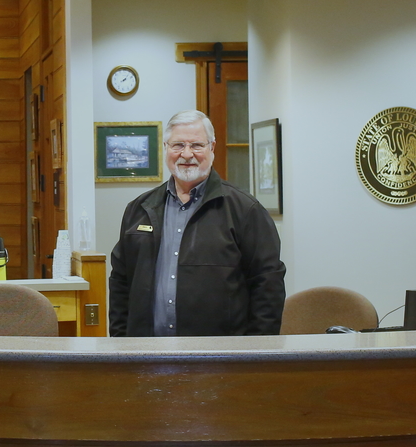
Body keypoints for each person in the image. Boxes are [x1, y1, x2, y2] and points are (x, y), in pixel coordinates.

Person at [109, 109, 286, 336]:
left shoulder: (245, 211)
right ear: (165, 148)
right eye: (178, 145)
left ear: (212, 148)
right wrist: (121, 342)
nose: (186, 154)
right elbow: (120, 283)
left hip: (221, 359)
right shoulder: (139, 209)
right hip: (147, 355)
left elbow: (268, 286)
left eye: (196, 145)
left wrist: (254, 354)